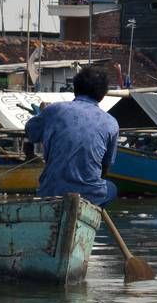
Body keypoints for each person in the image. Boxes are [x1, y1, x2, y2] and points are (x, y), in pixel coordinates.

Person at [25, 66, 119, 206]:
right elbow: (105, 167)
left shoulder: (54, 110)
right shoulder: (111, 123)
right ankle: (90, 218)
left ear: (75, 88)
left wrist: (42, 114)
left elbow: (30, 133)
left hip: (50, 191)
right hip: (89, 195)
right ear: (103, 94)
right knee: (112, 188)